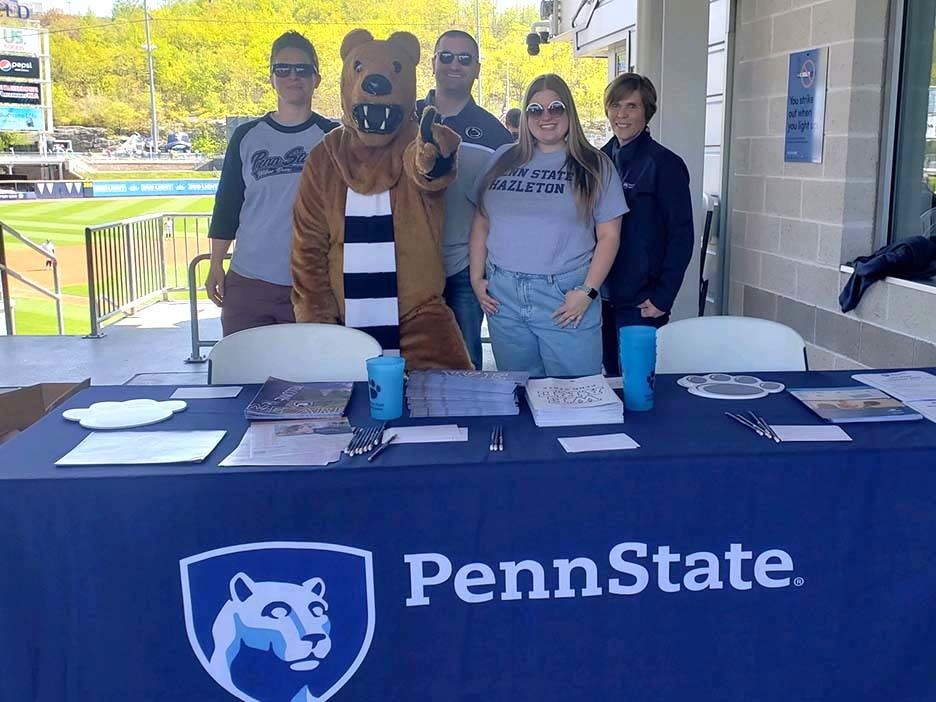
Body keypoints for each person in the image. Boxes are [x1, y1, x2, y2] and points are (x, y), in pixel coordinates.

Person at [468, 74, 627, 377]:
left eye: (556, 108)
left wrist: (587, 292)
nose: (546, 117)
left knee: (575, 396)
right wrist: (476, 278)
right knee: (520, 392)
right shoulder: (503, 158)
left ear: (569, 112)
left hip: (565, 295)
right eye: (535, 110)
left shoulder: (594, 164)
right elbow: (481, 221)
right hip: (505, 297)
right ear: (526, 115)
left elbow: (609, 236)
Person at [205, 31, 338, 336]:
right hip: (250, 282)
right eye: (283, 69)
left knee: (310, 381)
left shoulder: (333, 137)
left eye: (303, 69)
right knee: (245, 377)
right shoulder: (247, 136)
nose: (293, 76)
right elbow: (227, 205)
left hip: (312, 284)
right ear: (272, 78)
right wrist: (215, 264)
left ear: (317, 79)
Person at [416, 30, 513, 370]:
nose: (454, 65)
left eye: (464, 59)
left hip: (464, 271)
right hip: (409, 267)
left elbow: (502, 210)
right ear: (433, 64)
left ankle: (467, 425)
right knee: (409, 361)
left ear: (477, 69)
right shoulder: (402, 121)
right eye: (446, 57)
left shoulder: (495, 134)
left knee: (467, 364)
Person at [599, 73, 694, 375]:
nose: (621, 115)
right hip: (599, 299)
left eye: (632, 107)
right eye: (616, 106)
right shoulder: (597, 160)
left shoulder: (665, 164)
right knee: (609, 382)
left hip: (641, 302)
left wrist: (663, 296)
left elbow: (681, 235)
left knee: (638, 387)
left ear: (647, 111)